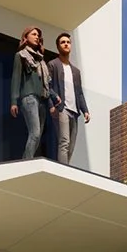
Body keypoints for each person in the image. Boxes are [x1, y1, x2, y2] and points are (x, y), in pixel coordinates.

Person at [46, 31, 88, 168]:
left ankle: (66, 167)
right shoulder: (52, 65)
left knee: (71, 145)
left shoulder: (76, 71)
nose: (66, 44)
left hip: (74, 111)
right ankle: (63, 169)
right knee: (64, 141)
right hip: (61, 108)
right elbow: (47, 86)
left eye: (68, 42)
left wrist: (85, 110)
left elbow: (79, 92)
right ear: (58, 47)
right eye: (63, 42)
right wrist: (52, 105)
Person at [9, 26, 49, 160]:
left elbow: (46, 83)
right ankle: (26, 162)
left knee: (38, 135)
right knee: (35, 133)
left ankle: (27, 159)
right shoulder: (21, 56)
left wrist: (54, 98)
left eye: (38, 35)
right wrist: (14, 101)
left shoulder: (41, 60)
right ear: (26, 37)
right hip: (29, 97)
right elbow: (16, 78)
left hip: (42, 100)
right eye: (34, 34)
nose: (37, 37)